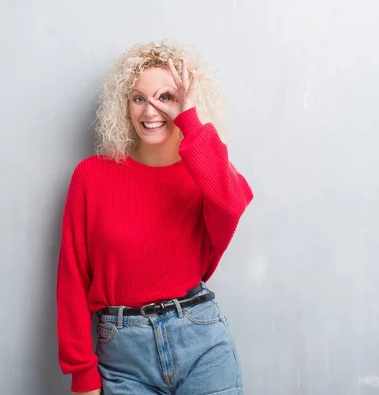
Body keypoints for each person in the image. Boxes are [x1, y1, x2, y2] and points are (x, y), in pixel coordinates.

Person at [56, 40, 254, 395]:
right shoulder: (91, 176)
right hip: (123, 356)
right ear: (124, 105)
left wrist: (189, 120)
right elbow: (71, 279)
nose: (150, 111)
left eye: (165, 97)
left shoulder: (203, 174)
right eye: (138, 98)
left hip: (201, 343)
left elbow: (231, 204)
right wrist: (81, 374)